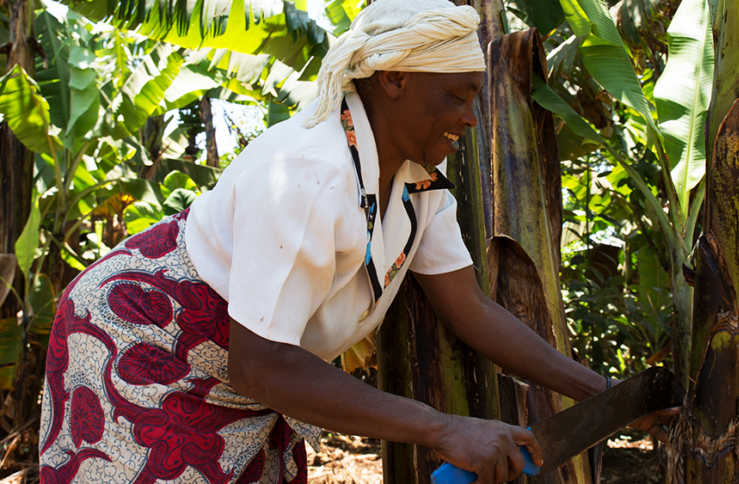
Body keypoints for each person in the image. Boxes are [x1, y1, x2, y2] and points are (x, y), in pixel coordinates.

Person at [39, 1, 675, 483]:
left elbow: (471, 310)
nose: (471, 120)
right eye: (456, 97)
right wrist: (444, 429)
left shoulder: (417, 186)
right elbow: (260, 364)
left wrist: (609, 397)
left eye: (475, 100)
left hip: (241, 377)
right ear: (393, 78)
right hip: (139, 346)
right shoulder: (310, 174)